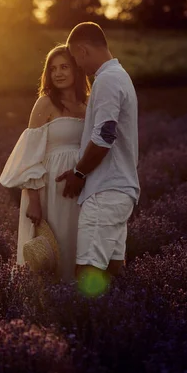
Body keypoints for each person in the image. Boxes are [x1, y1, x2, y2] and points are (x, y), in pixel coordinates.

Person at [56, 22, 140, 285]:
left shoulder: (106, 80)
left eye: (76, 60)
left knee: (87, 273)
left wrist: (79, 172)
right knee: (114, 270)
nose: (80, 68)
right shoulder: (120, 75)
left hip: (105, 192)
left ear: (82, 51)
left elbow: (104, 137)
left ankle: (85, 325)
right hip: (120, 190)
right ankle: (117, 322)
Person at [0, 45, 90, 283]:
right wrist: (34, 201)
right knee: (51, 245)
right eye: (52, 69)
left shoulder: (88, 104)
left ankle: (75, 303)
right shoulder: (45, 104)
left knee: (75, 242)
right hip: (48, 189)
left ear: (76, 70)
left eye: (64, 67)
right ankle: (46, 304)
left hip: (80, 186)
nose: (58, 73)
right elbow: (31, 156)